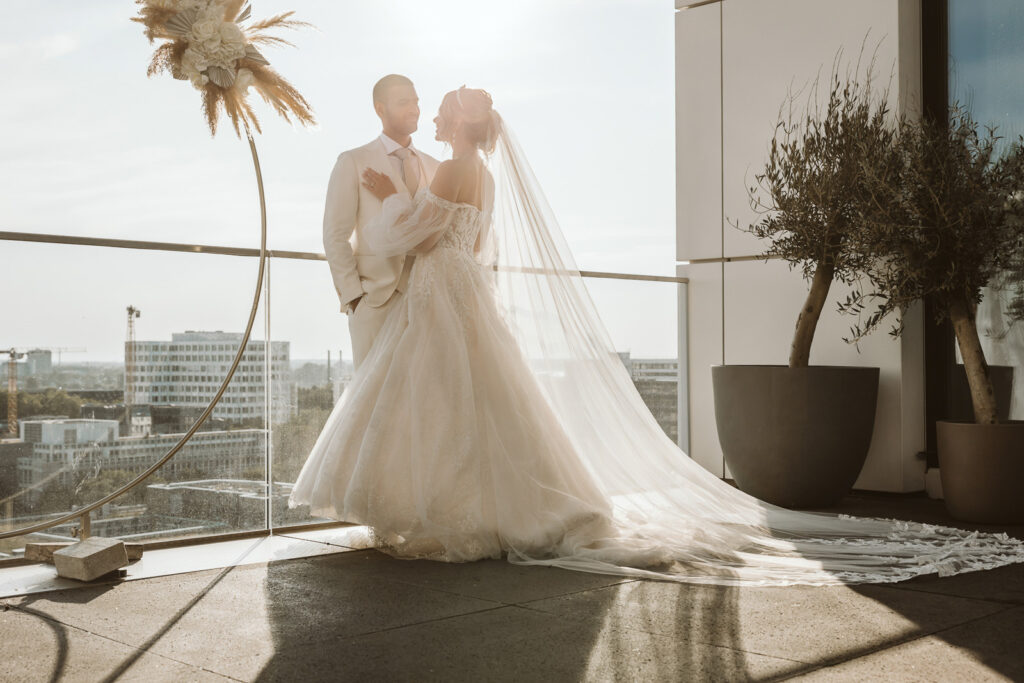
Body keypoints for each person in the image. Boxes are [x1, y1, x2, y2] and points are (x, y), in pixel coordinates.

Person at [291, 87, 1024, 586]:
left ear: (457, 124)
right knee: (478, 402)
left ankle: (451, 510)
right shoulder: (477, 170)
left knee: (444, 401)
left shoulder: (450, 169)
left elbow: (403, 233)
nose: (437, 117)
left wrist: (390, 200)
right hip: (463, 288)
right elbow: (473, 246)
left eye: (443, 108)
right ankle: (480, 502)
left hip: (441, 288)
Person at [322, 74, 440, 369]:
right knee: (372, 401)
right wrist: (354, 297)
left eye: (415, 101)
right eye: (403, 102)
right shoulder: (353, 161)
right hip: (374, 302)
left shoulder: (436, 167)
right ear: (380, 109)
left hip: (426, 304)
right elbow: (335, 235)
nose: (414, 109)